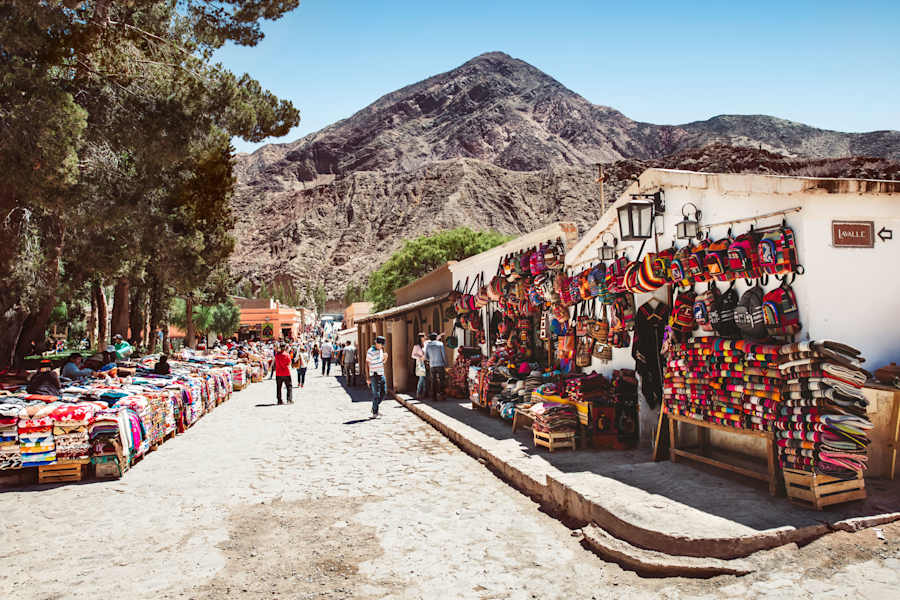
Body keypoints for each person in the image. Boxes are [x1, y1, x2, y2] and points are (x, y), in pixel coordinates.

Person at [366, 336, 387, 417]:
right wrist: (368, 377)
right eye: (382, 345)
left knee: (384, 393)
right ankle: (375, 412)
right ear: (378, 343)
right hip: (374, 375)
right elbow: (367, 364)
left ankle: (374, 407)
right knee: (376, 395)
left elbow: (382, 362)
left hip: (381, 374)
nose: (382, 346)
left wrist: (386, 358)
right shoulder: (370, 351)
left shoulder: (381, 350)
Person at [425, 332, 447, 401]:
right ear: (436, 337)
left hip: (432, 365)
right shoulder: (440, 344)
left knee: (433, 381)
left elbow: (426, 356)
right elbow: (443, 354)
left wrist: (430, 360)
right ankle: (442, 395)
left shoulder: (428, 345)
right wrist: (445, 362)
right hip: (440, 364)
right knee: (442, 380)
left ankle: (433, 397)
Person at [411, 333, 427, 400]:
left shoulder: (425, 344)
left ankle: (424, 393)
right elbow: (412, 355)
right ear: (421, 338)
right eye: (424, 336)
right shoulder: (416, 346)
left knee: (424, 379)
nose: (425, 337)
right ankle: (418, 393)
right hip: (420, 363)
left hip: (426, 363)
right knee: (421, 378)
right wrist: (420, 357)